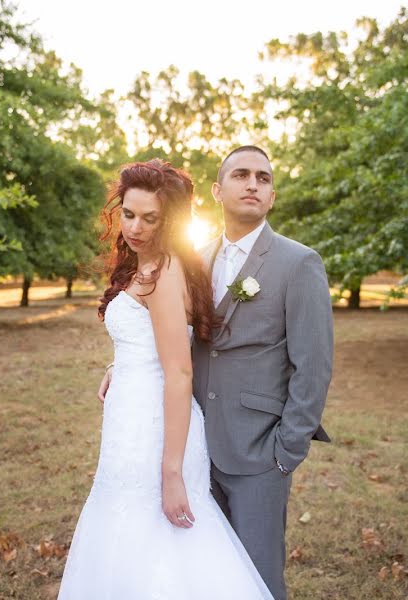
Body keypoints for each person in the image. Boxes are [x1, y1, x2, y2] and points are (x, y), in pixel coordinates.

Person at [58, 159, 273, 599]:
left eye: (149, 218)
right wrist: (121, 365)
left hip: (158, 435)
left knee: (164, 545)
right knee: (125, 539)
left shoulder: (166, 270)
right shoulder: (146, 264)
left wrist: (171, 472)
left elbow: (178, 372)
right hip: (129, 426)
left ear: (169, 220)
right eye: (129, 213)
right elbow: (155, 345)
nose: (135, 227)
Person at [191, 145, 334, 600]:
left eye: (264, 178)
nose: (253, 184)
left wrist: (285, 451)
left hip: (259, 452)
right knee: (204, 575)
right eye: (241, 175)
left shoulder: (298, 263)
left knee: (257, 580)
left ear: (271, 197)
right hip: (194, 449)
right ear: (217, 190)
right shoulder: (194, 260)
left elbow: (313, 365)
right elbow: (172, 337)